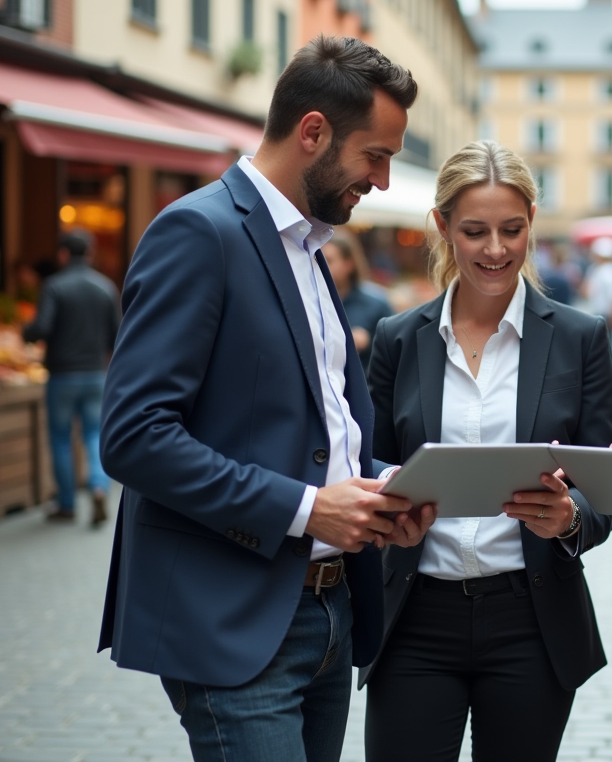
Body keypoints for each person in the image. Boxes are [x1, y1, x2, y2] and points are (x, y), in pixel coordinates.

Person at [96, 37, 435, 762]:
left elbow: (312, 430)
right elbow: (134, 437)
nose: (379, 180)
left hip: (330, 609)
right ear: (313, 131)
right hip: (234, 622)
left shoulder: (311, 251)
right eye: (374, 155)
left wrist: (378, 492)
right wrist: (312, 508)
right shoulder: (198, 231)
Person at [360, 140, 612, 762]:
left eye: (512, 229)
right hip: (414, 618)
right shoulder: (399, 338)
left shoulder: (580, 338)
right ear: (444, 227)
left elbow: (603, 487)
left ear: (532, 221)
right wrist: (391, 483)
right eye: (475, 231)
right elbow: (362, 459)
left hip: (530, 619)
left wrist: (573, 516)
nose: (496, 250)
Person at [22, 229, 120, 526]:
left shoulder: (54, 286)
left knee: (61, 438)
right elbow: (117, 335)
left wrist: (26, 331)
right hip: (95, 375)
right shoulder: (106, 287)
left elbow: (42, 327)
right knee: (94, 435)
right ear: (89, 254)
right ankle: (100, 489)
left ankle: (66, 504)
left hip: (62, 375)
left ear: (64, 254)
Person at [322, 227, 393, 370]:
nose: (322, 266)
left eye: (328, 261)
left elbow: (394, 349)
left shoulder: (376, 303)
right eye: (318, 260)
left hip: (364, 386)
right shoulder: (310, 301)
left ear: (349, 264)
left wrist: (368, 341)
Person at [583, 236, 612, 365]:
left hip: (606, 312)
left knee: (606, 341)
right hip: (597, 310)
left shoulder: (611, 270)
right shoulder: (595, 269)